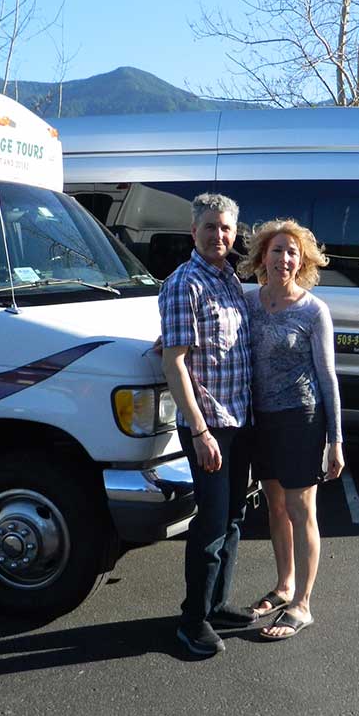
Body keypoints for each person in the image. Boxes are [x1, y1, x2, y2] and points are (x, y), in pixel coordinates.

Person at [159, 192, 257, 657]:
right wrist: (198, 431)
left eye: (226, 228)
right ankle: (191, 620)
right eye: (211, 227)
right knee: (212, 524)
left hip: (239, 419)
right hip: (209, 425)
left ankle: (217, 604)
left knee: (234, 518)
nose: (220, 235)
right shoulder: (185, 283)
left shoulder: (230, 280)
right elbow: (174, 362)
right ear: (193, 232)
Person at [238, 219, 344, 641]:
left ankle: (302, 604)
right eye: (277, 250)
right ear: (262, 256)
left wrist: (335, 439)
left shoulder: (312, 310)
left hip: (301, 419)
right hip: (262, 418)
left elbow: (329, 375)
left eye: (292, 252)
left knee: (302, 512)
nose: (284, 258)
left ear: (303, 262)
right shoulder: (250, 302)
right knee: (275, 509)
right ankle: (284, 586)